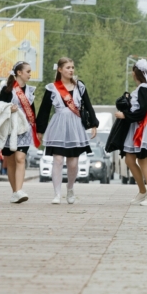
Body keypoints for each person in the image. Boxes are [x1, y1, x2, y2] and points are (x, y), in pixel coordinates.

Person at [36, 57, 98, 205]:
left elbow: (88, 105)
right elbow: (44, 110)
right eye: (68, 67)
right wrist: (40, 129)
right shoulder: (52, 87)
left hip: (75, 127)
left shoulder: (79, 87)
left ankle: (70, 189)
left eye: (72, 67)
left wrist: (93, 124)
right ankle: (57, 193)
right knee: (57, 160)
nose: (71, 70)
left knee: (73, 163)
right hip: (58, 126)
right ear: (60, 69)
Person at [115, 59, 147, 206]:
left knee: (143, 161)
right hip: (137, 127)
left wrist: (125, 115)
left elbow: (142, 111)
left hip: (143, 128)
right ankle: (142, 191)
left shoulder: (144, 88)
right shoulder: (145, 88)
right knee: (129, 159)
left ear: (136, 73)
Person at [0, 61, 36, 203]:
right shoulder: (7, 90)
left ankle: (19, 190)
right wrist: (8, 108)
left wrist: (37, 129)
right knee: (11, 160)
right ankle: (15, 192)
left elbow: (32, 111)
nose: (30, 74)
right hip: (10, 129)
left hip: (24, 129)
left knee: (20, 158)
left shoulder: (30, 91)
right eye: (28, 71)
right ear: (19, 73)